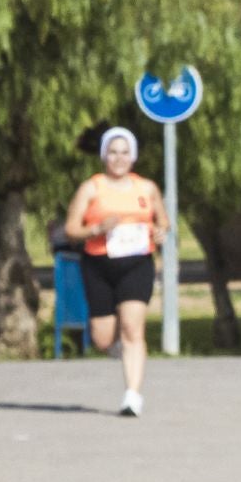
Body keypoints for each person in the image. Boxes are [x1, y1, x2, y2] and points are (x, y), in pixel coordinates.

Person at [62, 127, 167, 417]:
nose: (119, 158)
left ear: (132, 156)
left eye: (124, 152)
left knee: (134, 330)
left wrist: (160, 233)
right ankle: (116, 342)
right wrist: (96, 229)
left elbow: (163, 222)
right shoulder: (91, 188)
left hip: (137, 263)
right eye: (113, 152)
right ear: (104, 156)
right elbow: (71, 229)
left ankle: (132, 395)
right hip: (99, 264)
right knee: (103, 339)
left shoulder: (146, 188)